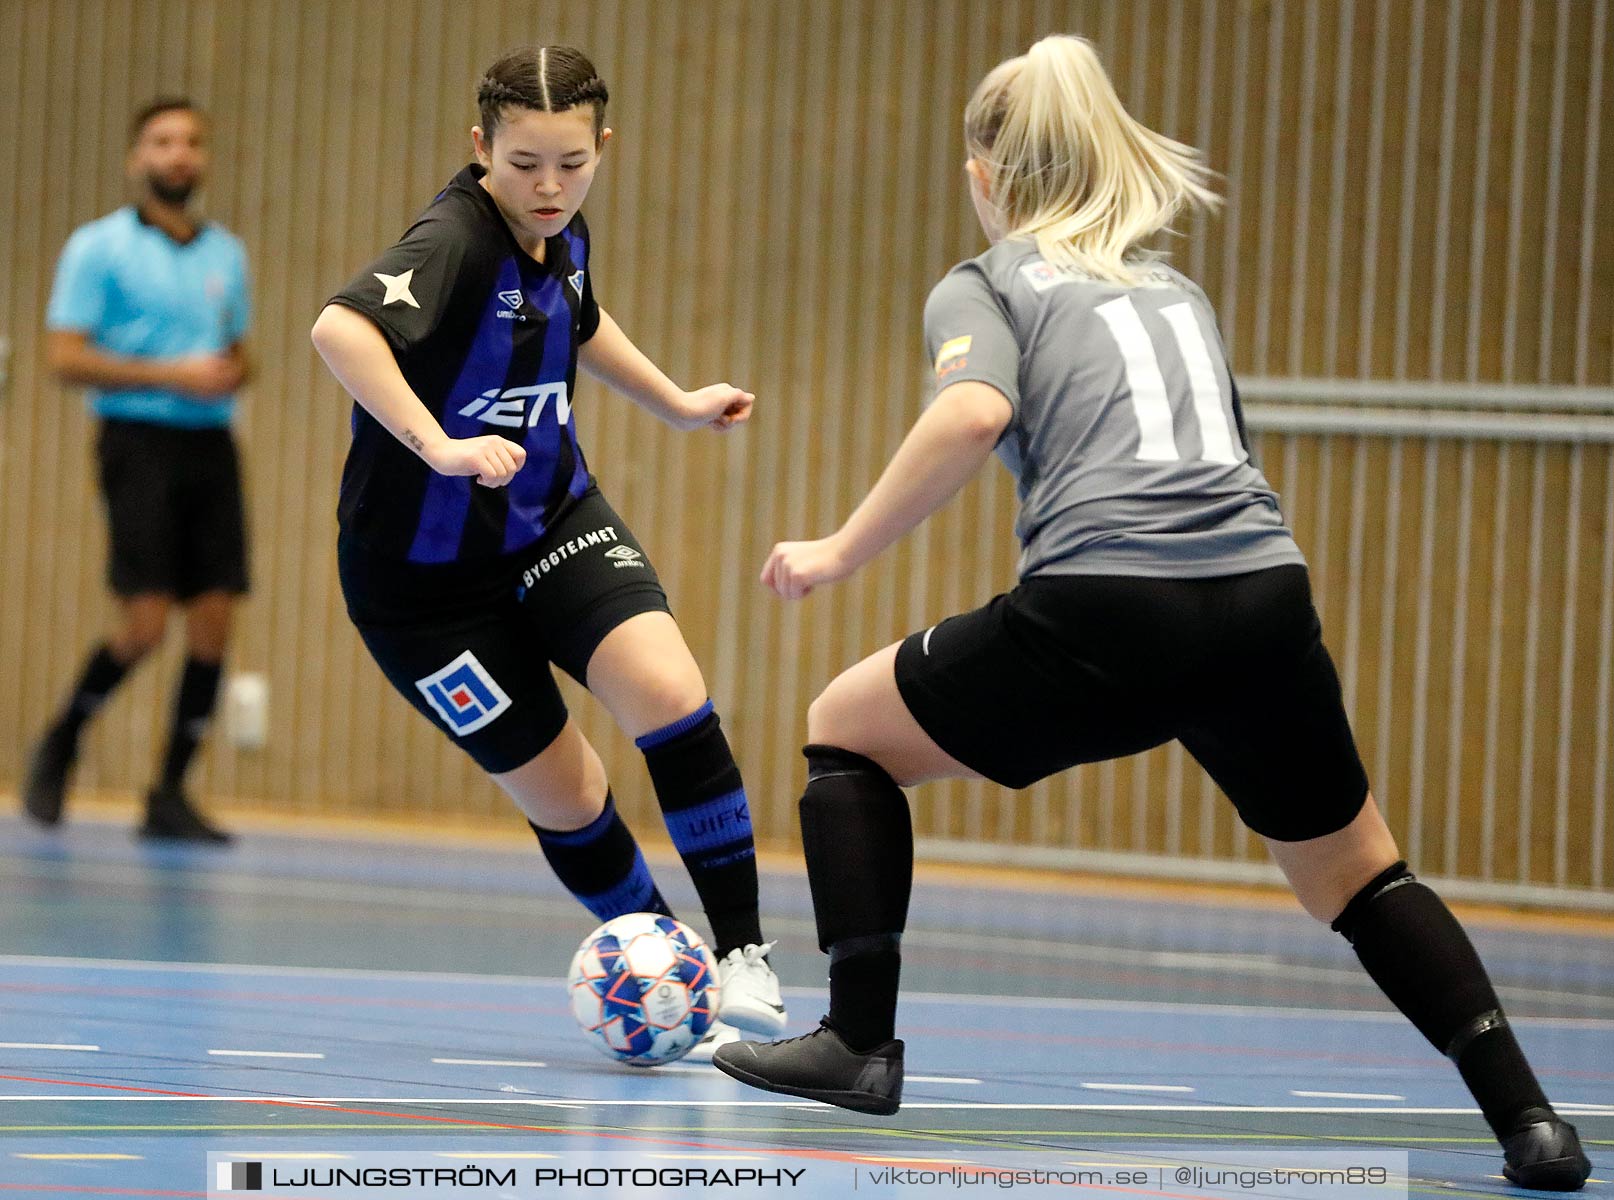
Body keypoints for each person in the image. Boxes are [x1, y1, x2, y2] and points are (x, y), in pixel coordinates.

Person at [712, 35, 1590, 1191]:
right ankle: (1531, 1121)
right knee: (1360, 874)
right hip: (1264, 601)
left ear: (986, 177)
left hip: (1107, 606)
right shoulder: (1178, 289)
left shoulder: (986, 282)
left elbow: (971, 417)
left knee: (844, 726)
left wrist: (836, 548)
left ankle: (860, 1042)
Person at [309, 45, 784, 1053]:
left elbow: (579, 318)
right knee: (568, 791)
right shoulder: (455, 238)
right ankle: (663, 966)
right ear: (479, 146)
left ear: (601, 147)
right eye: (524, 163)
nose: (549, 186)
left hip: (548, 521)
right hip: (421, 592)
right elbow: (339, 330)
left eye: (571, 162)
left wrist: (676, 403)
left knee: (667, 690)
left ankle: (743, 953)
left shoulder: (558, 230)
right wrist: (436, 443)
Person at [23, 98, 253, 844]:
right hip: (136, 442)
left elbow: (239, 352)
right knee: (147, 623)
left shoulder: (228, 255)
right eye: (162, 141)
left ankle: (169, 792)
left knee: (215, 620)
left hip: (210, 446)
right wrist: (170, 374)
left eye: (191, 141)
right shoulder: (98, 248)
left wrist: (229, 372)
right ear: (137, 159)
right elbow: (63, 356)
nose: (179, 154)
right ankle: (61, 740)